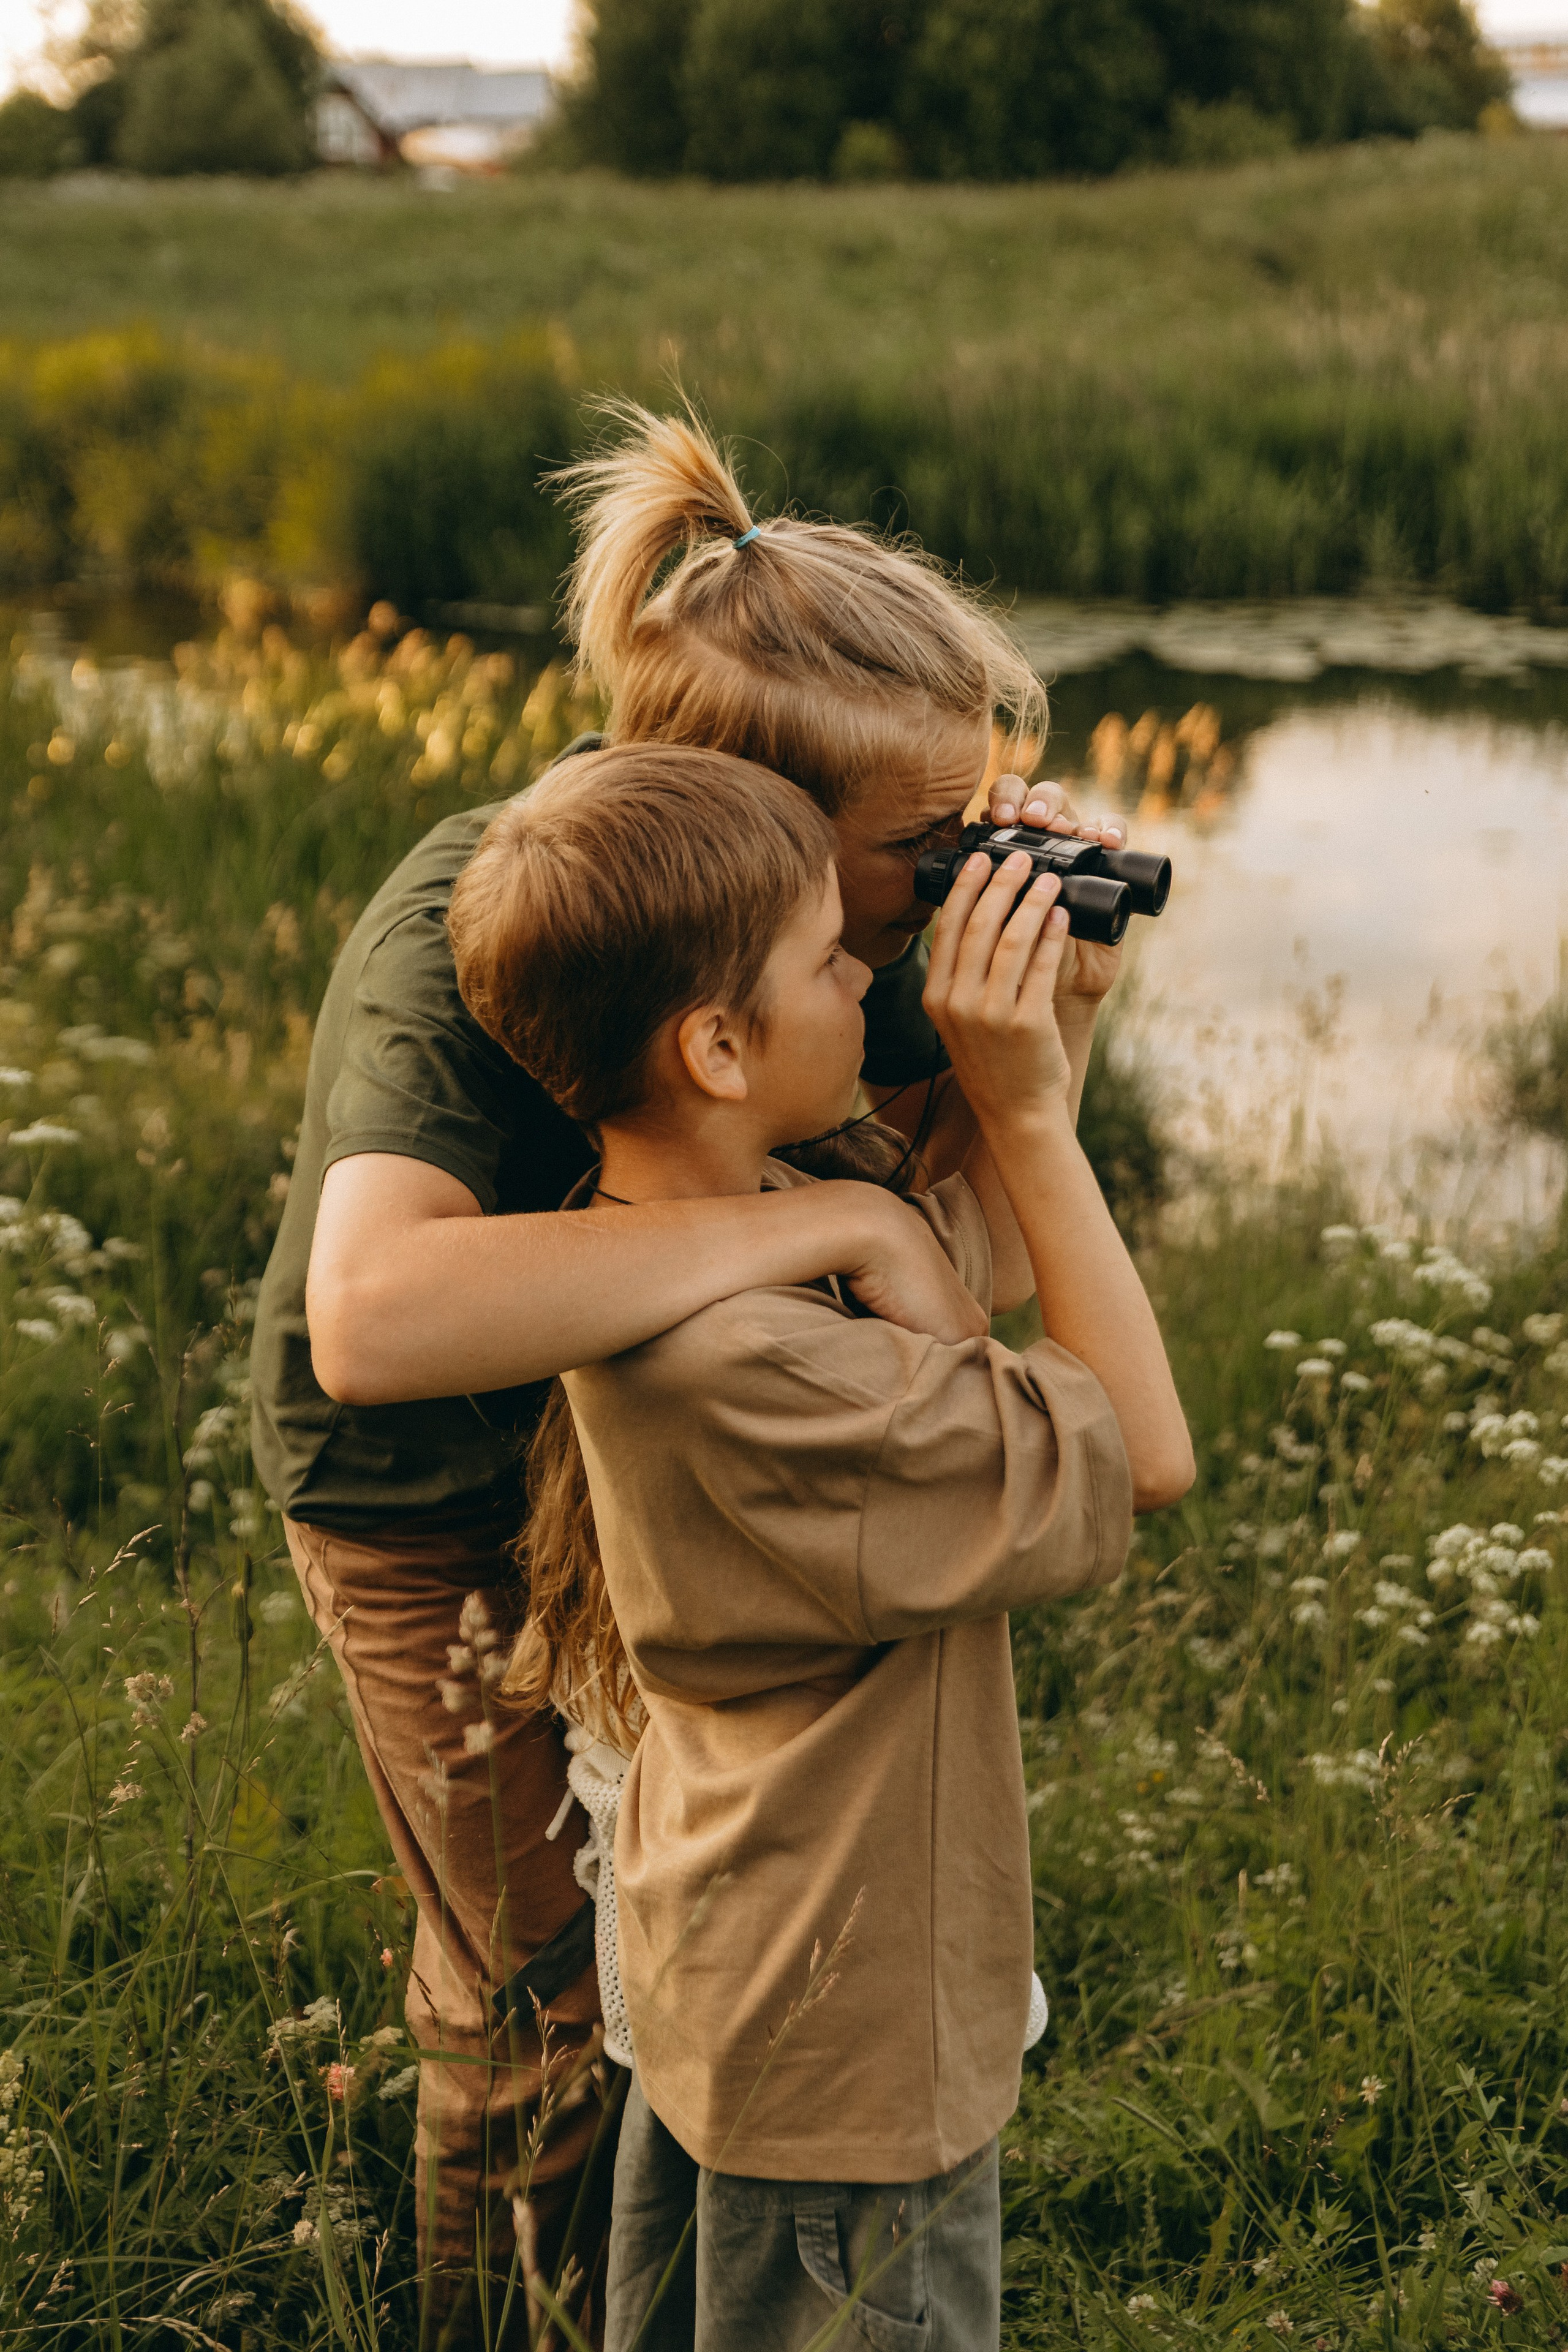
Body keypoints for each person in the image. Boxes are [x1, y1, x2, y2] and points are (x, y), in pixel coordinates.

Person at [249, 402, 1133, 2340]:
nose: (947, 879)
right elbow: (376, 1320)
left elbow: (951, 1310)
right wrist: (831, 1227)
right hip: (441, 1489)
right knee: (533, 2002)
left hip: (699, 1484)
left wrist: (1032, 1055)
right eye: (924, 850)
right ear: (752, 821)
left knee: (682, 1964)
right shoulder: (486, 905)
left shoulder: (833, 946)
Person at [446, 740, 1194, 2352]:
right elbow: (1140, 1448)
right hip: (847, 2047)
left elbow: (972, 1280)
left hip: (739, 1974)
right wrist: (1037, 1122)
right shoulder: (761, 1363)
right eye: (833, 956)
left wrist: (1055, 1020)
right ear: (718, 1043)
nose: (876, 976)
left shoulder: (661, 1243)